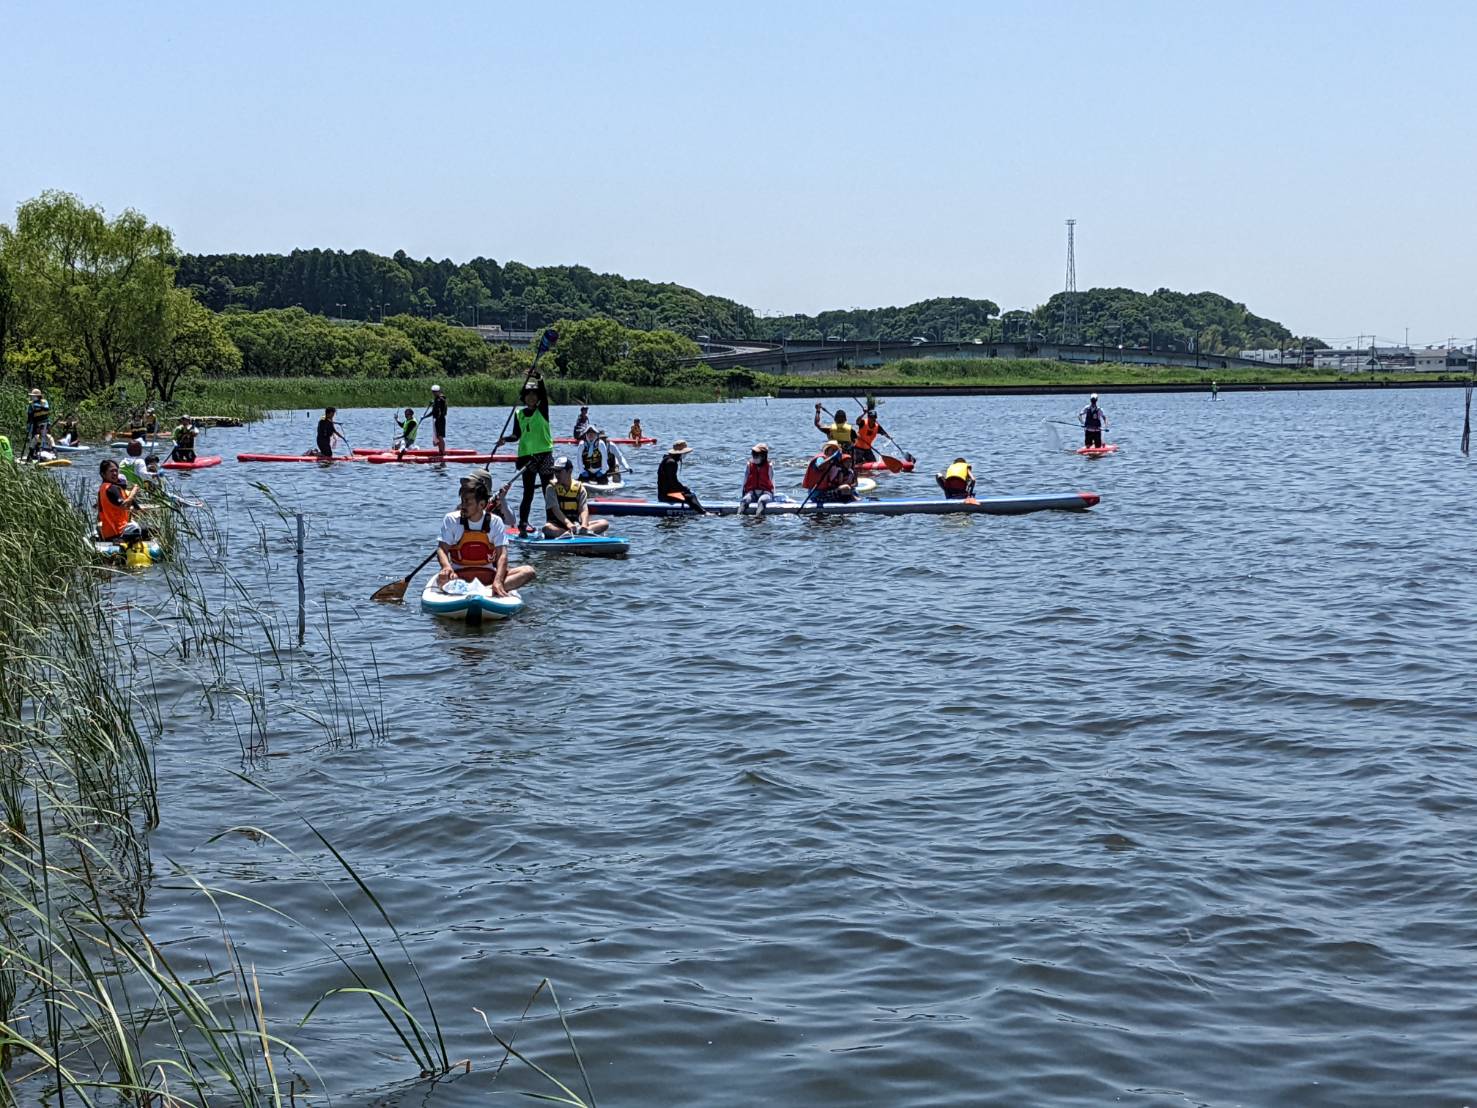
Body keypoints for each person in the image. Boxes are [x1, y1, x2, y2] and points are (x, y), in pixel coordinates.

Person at [435, 470, 536, 595]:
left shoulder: (495, 522)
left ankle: (489, 589)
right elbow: (441, 549)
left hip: (488, 576)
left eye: (468, 502)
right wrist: (446, 567)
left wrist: (498, 580)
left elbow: (502, 555)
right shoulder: (451, 519)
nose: (463, 506)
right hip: (458, 576)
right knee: (442, 579)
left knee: (528, 571)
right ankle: (485, 591)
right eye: (462, 501)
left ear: (482, 504)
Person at [496, 376, 554, 536]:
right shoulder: (519, 413)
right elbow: (516, 435)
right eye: (528, 395)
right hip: (526, 457)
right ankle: (523, 522)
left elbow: (544, 392)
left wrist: (540, 378)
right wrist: (505, 440)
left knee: (548, 491)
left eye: (534, 395)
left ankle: (552, 521)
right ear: (524, 397)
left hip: (544, 455)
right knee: (528, 492)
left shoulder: (542, 410)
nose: (531, 397)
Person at [543, 457, 611, 537]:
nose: (556, 474)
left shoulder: (579, 488)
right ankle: (568, 534)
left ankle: (581, 533)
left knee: (604, 523)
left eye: (559, 471)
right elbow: (555, 510)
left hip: (576, 526)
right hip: (557, 526)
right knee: (547, 528)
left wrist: (584, 525)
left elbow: (583, 509)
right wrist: (569, 524)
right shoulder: (551, 488)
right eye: (555, 471)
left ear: (569, 471)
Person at [97, 459, 151, 542]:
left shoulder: (103, 488)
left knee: (147, 529)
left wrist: (141, 511)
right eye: (111, 471)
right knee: (138, 529)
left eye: (116, 471)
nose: (115, 473)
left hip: (108, 532)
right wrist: (134, 492)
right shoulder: (111, 488)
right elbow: (124, 505)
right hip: (117, 532)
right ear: (103, 474)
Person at [657, 440, 708, 513]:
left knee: (689, 494)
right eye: (683, 453)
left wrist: (682, 489)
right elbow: (672, 482)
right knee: (691, 496)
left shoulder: (667, 459)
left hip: (664, 494)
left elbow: (671, 482)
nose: (683, 455)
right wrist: (684, 489)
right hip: (666, 496)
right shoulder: (671, 463)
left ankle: (698, 508)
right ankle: (704, 513)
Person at [740, 443, 776, 514]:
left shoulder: (769, 466)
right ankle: (739, 517)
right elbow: (745, 480)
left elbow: (772, 481)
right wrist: (743, 494)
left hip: (766, 493)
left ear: (763, 456)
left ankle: (758, 518)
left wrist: (773, 496)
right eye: (753, 454)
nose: (754, 457)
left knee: (761, 500)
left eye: (757, 455)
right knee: (745, 500)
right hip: (752, 493)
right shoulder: (749, 465)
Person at [25, 388, 50, 461]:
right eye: (32, 396)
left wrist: (37, 406)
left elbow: (46, 408)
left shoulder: (44, 402)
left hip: (45, 423)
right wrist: (28, 427)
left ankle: (41, 453)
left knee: (43, 439)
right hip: (35, 424)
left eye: (34, 396)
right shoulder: (31, 404)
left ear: (38, 396)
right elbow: (29, 417)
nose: (32, 397)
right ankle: (32, 454)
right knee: (34, 438)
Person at [423, 385, 448, 454]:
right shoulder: (436, 399)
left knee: (440, 436)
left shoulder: (440, 398)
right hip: (437, 420)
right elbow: (434, 412)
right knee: (437, 436)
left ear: (439, 391)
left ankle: (443, 452)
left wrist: (426, 416)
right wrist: (433, 403)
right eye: (433, 391)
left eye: (436, 391)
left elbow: (442, 401)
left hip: (441, 420)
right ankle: (440, 451)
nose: (434, 393)